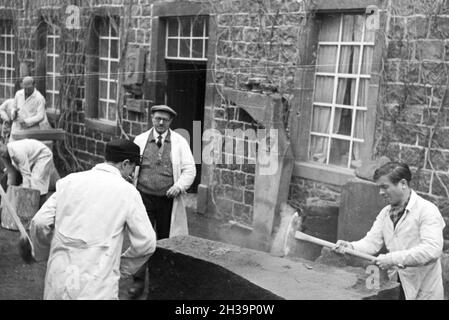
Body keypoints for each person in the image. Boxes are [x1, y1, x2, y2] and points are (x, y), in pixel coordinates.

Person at [28, 139, 157, 300]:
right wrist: (121, 267)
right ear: (125, 163)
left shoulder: (69, 181)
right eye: (132, 167)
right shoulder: (128, 192)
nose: (132, 173)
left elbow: (40, 222)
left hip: (60, 275)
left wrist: (45, 252)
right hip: (98, 282)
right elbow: (147, 242)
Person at [334, 162, 445, 300]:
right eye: (379, 188)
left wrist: (392, 258)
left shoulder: (427, 210)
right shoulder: (385, 213)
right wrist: (351, 247)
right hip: (397, 283)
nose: (380, 192)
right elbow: (371, 242)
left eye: (385, 187)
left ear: (403, 184)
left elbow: (431, 250)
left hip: (424, 288)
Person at [128, 105, 196, 299]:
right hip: (143, 198)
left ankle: (162, 279)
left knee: (166, 241)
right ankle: (138, 281)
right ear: (151, 118)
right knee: (142, 238)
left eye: (164, 120)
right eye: (157, 118)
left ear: (170, 122)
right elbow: (131, 166)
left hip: (168, 200)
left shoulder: (180, 142)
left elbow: (189, 170)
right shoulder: (140, 140)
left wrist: (179, 186)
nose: (160, 122)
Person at [0, 138, 57, 205]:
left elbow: (26, 175)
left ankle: (40, 206)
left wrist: (24, 197)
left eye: (0, 148)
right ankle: (33, 204)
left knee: (37, 181)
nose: (1, 152)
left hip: (43, 155)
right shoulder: (4, 156)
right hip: (32, 159)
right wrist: (8, 193)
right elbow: (11, 173)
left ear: (4, 143)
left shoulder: (17, 151)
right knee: (31, 183)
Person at [9, 76, 51, 142]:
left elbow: (40, 116)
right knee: (12, 148)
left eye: (28, 88)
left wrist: (26, 121)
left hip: (31, 130)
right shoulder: (18, 94)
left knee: (27, 149)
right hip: (16, 127)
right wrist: (14, 113)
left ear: (34, 85)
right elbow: (13, 107)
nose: (26, 90)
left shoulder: (39, 98)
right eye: (24, 88)